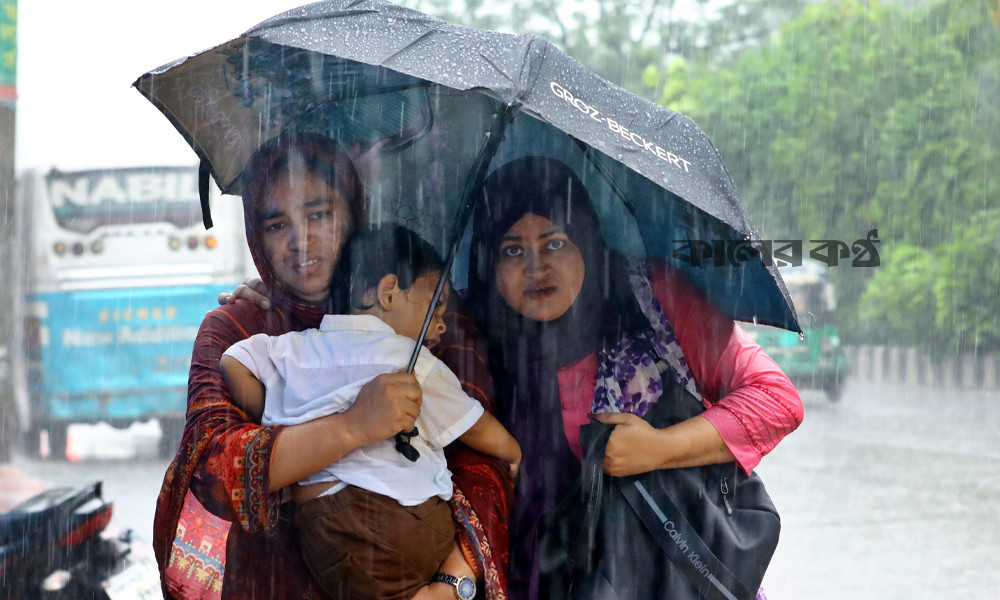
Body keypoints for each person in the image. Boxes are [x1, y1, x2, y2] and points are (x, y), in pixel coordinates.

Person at [152, 133, 514, 600]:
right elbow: (213, 469)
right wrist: (351, 426)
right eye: (276, 225)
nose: (300, 241)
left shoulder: (428, 314)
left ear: (354, 215)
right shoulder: (237, 326)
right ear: (255, 237)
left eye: (320, 214)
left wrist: (452, 585)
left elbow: (483, 463)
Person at [465, 156, 804, 600]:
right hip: (535, 581)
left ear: (585, 238)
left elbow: (776, 400)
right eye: (512, 250)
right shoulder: (468, 335)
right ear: (487, 261)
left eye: (555, 243)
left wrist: (659, 449)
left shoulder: (649, 297)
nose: (536, 267)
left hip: (670, 576)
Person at [219, 225, 521, 600]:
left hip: (318, 529)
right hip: (398, 522)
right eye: (436, 302)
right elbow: (473, 425)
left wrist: (275, 415)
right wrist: (512, 453)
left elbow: (233, 360)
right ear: (388, 293)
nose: (442, 322)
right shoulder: (409, 361)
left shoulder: (294, 347)